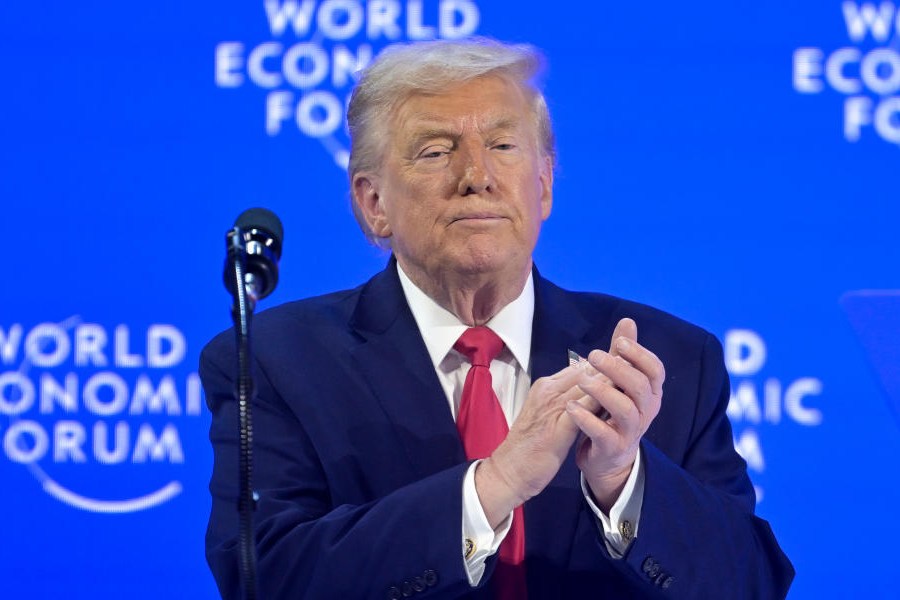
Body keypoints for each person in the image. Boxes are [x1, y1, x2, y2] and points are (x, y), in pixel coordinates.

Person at [201, 38, 794, 599]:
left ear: (543, 187)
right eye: (436, 151)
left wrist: (625, 481)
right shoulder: (278, 363)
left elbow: (753, 584)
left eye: (504, 146)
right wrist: (491, 488)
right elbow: (267, 577)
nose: (476, 176)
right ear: (373, 203)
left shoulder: (665, 359)